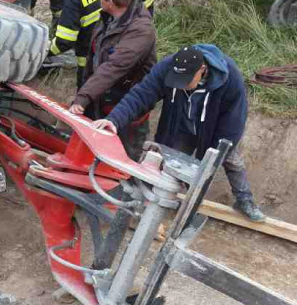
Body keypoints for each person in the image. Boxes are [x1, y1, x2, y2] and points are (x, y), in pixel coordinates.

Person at [92, 45, 266, 221]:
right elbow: (141, 95)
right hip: (181, 125)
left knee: (230, 160)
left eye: (185, 80)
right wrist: (114, 120)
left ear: (202, 70)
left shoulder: (229, 77)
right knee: (171, 162)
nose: (180, 84)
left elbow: (234, 120)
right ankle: (158, 201)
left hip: (216, 129)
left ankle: (244, 200)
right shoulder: (168, 67)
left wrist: (216, 154)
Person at [67, 0, 156, 162]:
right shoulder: (109, 18)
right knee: (91, 155)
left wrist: (84, 96)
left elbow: (114, 66)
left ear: (110, 2)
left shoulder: (141, 30)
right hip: (101, 100)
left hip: (127, 109)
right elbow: (94, 59)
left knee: (122, 164)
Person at [44, 0, 153, 87]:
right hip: (122, 60)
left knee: (86, 103)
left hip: (89, 65)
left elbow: (64, 42)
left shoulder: (74, 3)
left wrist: (44, 52)